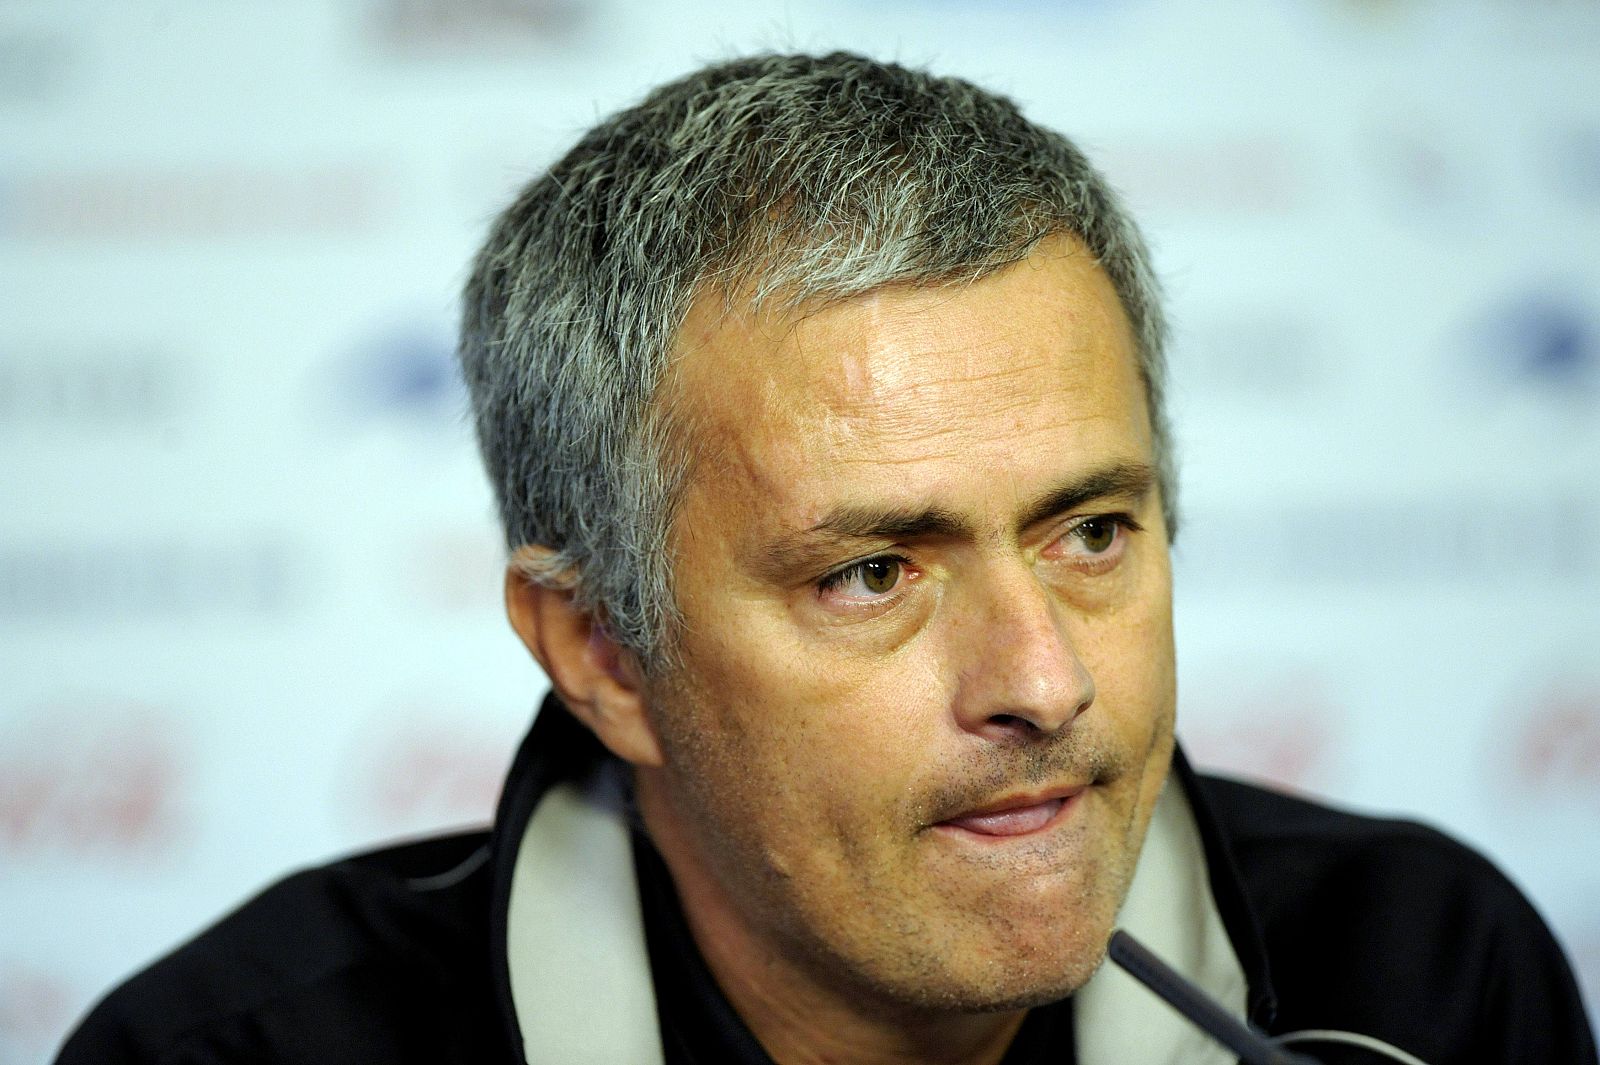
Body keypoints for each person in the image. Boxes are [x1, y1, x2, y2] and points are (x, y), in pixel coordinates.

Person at [57, 52, 1594, 1065]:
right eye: (873, 572)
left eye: (1092, 533)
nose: (1044, 678)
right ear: (601, 649)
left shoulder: (1423, 981)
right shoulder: (234, 1049)